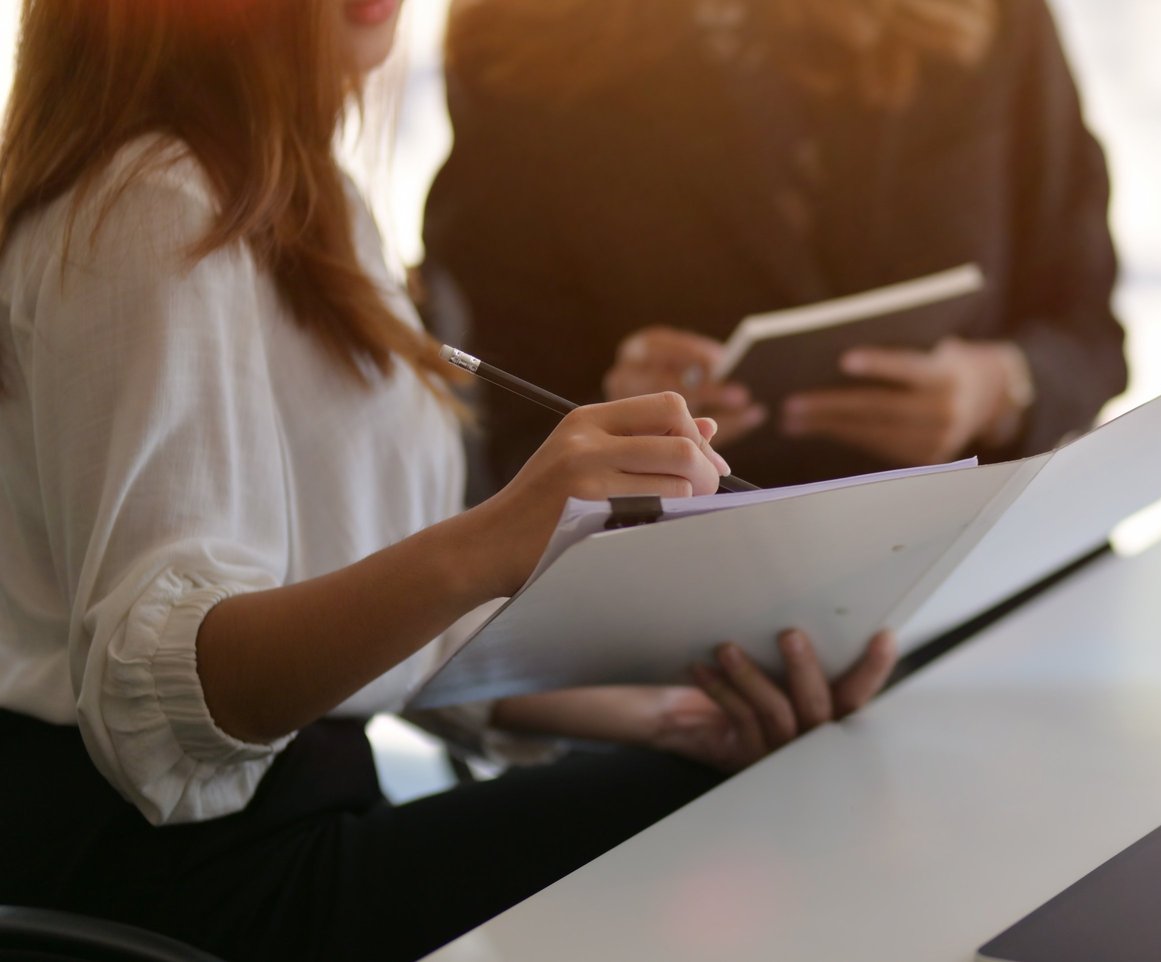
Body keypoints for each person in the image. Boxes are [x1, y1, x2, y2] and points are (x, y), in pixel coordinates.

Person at [0, 2, 897, 960]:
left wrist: (665, 716)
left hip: (290, 822)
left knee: (750, 776)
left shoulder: (315, 201)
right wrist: (496, 537)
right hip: (184, 880)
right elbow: (163, 706)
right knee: (745, 823)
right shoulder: (152, 200)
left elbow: (375, 624)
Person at [424, 0, 1129, 491]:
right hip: (698, 600)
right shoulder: (518, 43)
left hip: (980, 563)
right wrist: (612, 426)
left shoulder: (983, 15)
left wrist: (998, 387)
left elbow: (1089, 330)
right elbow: (506, 427)